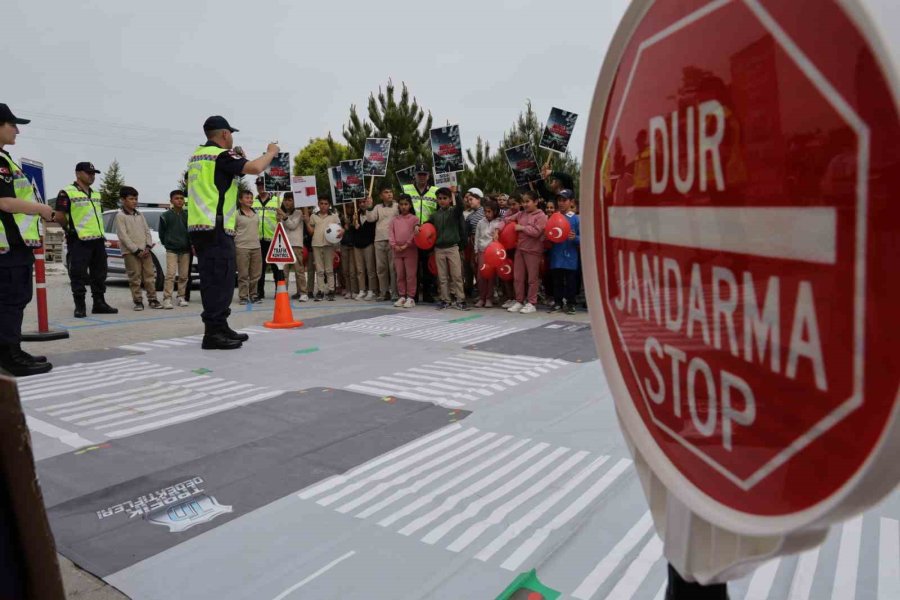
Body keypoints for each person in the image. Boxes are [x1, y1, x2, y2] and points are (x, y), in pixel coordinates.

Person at [186, 115, 279, 350]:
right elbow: (257, 168)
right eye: (231, 134)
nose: (232, 139)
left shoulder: (198, 156)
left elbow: (222, 181)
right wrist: (271, 152)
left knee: (214, 279)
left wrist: (239, 158)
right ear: (225, 134)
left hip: (201, 226)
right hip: (216, 227)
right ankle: (213, 333)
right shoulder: (221, 155)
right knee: (222, 279)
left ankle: (220, 326)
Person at [0, 103, 56, 376]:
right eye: (12, 125)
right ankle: (9, 355)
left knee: (13, 300)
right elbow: (6, 203)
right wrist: (43, 209)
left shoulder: (5, 159)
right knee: (11, 300)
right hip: (6, 246)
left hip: (12, 244)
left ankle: (12, 349)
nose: (18, 131)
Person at [55, 162, 118, 318]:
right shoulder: (67, 192)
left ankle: (99, 303)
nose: (92, 176)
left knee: (99, 274)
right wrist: (69, 229)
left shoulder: (96, 194)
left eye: (94, 173)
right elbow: (60, 215)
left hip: (97, 240)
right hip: (79, 240)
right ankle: (80, 306)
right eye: (88, 173)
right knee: (78, 274)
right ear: (78, 174)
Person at [114, 186, 161, 311]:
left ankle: (153, 299)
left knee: (150, 276)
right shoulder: (120, 216)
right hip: (131, 253)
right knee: (135, 277)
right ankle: (138, 301)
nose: (134, 201)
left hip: (145, 252)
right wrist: (136, 250)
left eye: (136, 199)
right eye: (131, 199)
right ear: (123, 200)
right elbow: (123, 236)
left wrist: (147, 246)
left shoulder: (140, 214)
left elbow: (147, 231)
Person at [426, 186, 468, 310]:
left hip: (452, 247)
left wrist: (457, 194)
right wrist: (418, 226)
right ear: (437, 200)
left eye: (445, 198)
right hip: (439, 249)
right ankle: (445, 300)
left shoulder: (454, 212)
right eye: (439, 198)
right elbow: (427, 226)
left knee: (456, 275)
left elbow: (461, 206)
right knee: (442, 277)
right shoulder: (434, 216)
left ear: (450, 199)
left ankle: (460, 299)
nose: (442, 200)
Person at [506, 190, 548, 314]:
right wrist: (497, 229)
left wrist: (522, 228)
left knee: (532, 279)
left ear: (535, 202)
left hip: (533, 251)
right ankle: (519, 301)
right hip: (520, 250)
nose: (525, 204)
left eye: (527, 201)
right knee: (518, 277)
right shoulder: (520, 214)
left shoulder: (541, 216)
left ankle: (532, 303)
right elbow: (507, 220)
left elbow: (536, 232)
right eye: (523, 202)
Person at [402, 164, 438, 302]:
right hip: (412, 233)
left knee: (428, 265)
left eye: (424, 174)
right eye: (419, 174)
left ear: (428, 176)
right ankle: (414, 294)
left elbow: (438, 211)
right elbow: (402, 208)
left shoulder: (435, 191)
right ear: (415, 175)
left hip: (428, 234)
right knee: (413, 266)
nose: (422, 177)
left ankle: (428, 293)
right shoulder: (407, 189)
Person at [547, 190, 580, 314]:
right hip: (556, 255)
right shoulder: (553, 217)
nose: (561, 203)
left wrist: (575, 238)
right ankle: (558, 303)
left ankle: (571, 303)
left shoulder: (576, 219)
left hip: (570, 256)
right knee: (557, 281)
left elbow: (584, 237)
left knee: (571, 281)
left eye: (564, 200)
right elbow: (549, 235)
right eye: (559, 200)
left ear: (571, 202)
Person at [158, 190, 191, 308]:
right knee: (170, 275)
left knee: (183, 275)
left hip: (185, 250)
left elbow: (190, 232)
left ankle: (181, 297)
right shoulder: (165, 216)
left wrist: (190, 244)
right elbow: (162, 233)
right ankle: (167, 298)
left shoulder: (187, 215)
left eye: (182, 198)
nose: (180, 200)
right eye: (177, 198)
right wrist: (167, 243)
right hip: (171, 250)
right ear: (171, 200)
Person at [366, 186, 398, 301]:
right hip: (379, 240)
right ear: (381, 196)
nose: (389, 194)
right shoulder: (377, 207)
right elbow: (370, 219)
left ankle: (394, 293)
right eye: (386, 192)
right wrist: (369, 207)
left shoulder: (397, 206)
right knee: (381, 268)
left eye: (390, 192)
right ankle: (384, 292)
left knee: (393, 268)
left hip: (393, 240)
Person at [252, 176, 282, 299]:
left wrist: (281, 216)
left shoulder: (276, 200)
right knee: (260, 269)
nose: (260, 187)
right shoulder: (253, 201)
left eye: (263, 185)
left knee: (276, 268)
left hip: (274, 239)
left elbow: (284, 218)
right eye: (258, 185)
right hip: (258, 240)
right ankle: (260, 292)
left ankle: (279, 291)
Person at [307, 196, 340, 301]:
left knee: (329, 270)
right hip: (316, 244)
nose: (323, 206)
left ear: (329, 205)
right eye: (321, 203)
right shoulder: (313, 216)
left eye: (326, 203)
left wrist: (342, 231)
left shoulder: (334, 216)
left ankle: (331, 290)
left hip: (329, 245)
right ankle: (320, 291)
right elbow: (311, 231)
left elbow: (339, 230)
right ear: (318, 204)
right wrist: (306, 221)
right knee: (319, 270)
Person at [389, 193, 418, 308]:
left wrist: (406, 245)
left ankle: (411, 297)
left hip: (410, 250)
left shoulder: (414, 219)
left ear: (410, 205)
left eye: (406, 204)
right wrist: (394, 245)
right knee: (400, 274)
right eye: (401, 204)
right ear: (398, 206)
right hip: (397, 250)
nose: (403, 207)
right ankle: (402, 296)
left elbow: (414, 234)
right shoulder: (394, 220)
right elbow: (391, 234)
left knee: (410, 275)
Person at [474, 198, 503, 308]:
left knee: (491, 277)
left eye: (489, 211)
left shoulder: (498, 222)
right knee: (481, 276)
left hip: (492, 254)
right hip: (482, 252)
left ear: (495, 211)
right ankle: (482, 297)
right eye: (485, 211)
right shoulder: (481, 222)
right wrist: (476, 252)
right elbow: (477, 237)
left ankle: (489, 298)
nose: (487, 214)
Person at [234, 190, 262, 305]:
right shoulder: (236, 214)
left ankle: (254, 295)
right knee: (243, 274)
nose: (250, 200)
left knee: (256, 274)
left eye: (251, 198)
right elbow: (232, 229)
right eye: (247, 198)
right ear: (240, 200)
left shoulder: (256, 214)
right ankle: (243, 296)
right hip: (241, 247)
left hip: (256, 247)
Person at [280, 192, 308, 301]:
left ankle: (303, 293)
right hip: (284, 244)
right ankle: (283, 293)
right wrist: (279, 218)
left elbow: (292, 225)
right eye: (285, 200)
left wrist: (283, 216)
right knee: (284, 272)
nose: (287, 202)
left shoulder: (299, 212)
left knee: (299, 270)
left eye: (290, 200)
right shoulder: (281, 213)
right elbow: (279, 228)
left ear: (294, 202)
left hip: (296, 244)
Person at [352, 196, 378, 300]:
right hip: (357, 245)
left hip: (368, 244)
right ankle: (362, 290)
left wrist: (370, 207)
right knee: (360, 270)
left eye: (364, 201)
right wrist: (353, 224)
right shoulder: (355, 215)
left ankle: (372, 290)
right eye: (360, 202)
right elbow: (351, 230)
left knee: (370, 269)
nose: (363, 204)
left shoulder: (372, 213)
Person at [464, 188, 485, 299]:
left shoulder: (486, 211)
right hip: (474, 245)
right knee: (475, 268)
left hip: (487, 244)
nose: (469, 201)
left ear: (478, 199)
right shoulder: (469, 216)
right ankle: (481, 292)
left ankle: (492, 292)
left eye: (471, 199)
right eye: (468, 199)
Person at [338, 205, 357, 299]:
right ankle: (348, 289)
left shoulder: (356, 217)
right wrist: (344, 226)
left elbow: (356, 229)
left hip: (353, 246)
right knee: (345, 270)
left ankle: (354, 290)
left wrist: (351, 224)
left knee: (352, 271)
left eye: (351, 207)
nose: (350, 209)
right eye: (348, 207)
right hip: (344, 245)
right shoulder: (340, 218)